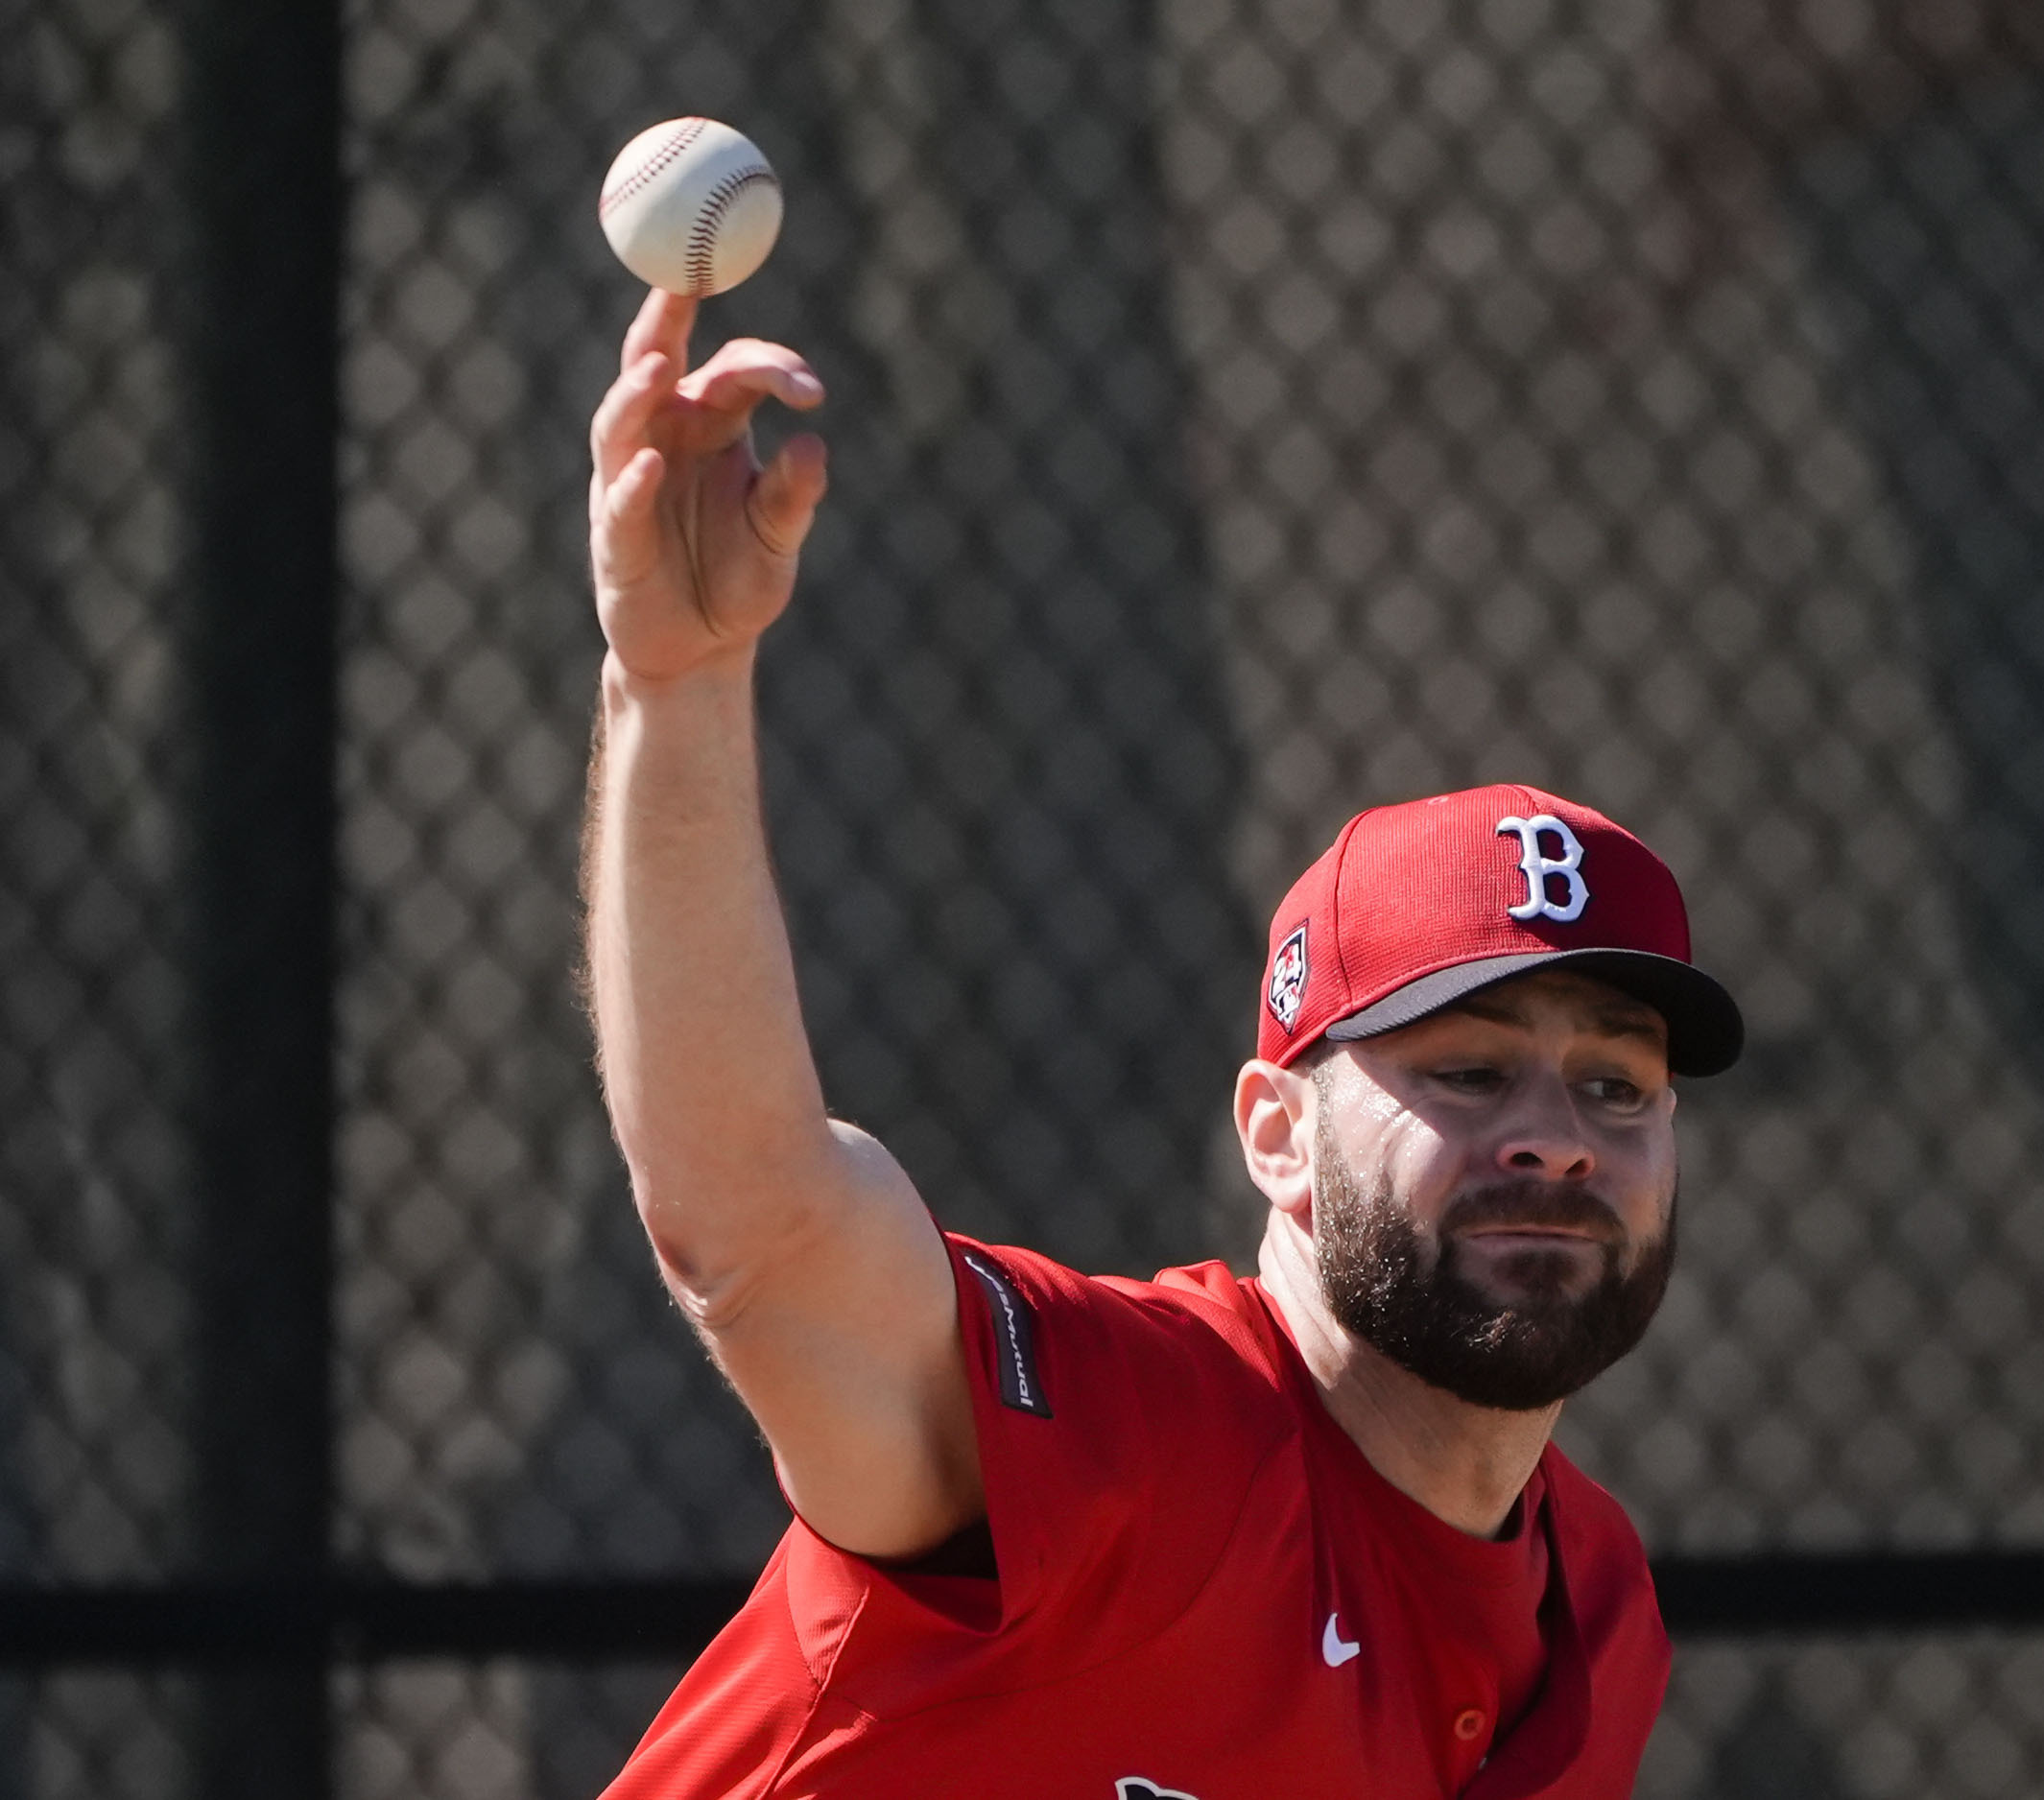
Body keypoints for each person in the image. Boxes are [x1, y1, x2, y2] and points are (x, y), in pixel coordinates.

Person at [582, 289, 1744, 1797]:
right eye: (1465, 1069)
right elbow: (753, 1225)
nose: (1555, 1133)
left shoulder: (1590, 1613)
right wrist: (673, 689)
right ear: (1275, 1133)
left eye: (1616, 1084)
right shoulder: (1129, 1441)